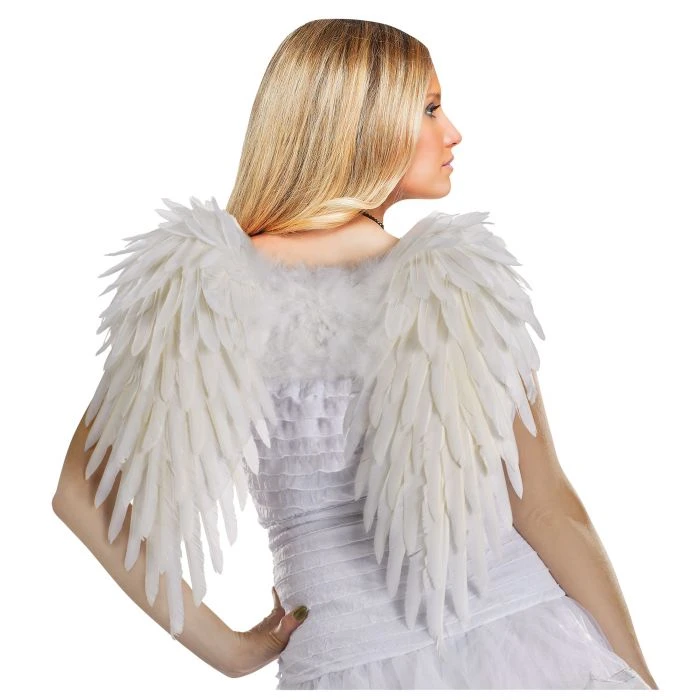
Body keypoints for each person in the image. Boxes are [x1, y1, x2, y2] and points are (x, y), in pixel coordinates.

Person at [51, 18, 657, 690]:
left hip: (355, 662)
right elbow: (546, 507)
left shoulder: (202, 288)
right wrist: (635, 676)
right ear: (363, 124)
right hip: (530, 649)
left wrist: (231, 650)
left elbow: (80, 494)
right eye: (429, 109)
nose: (453, 132)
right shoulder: (457, 284)